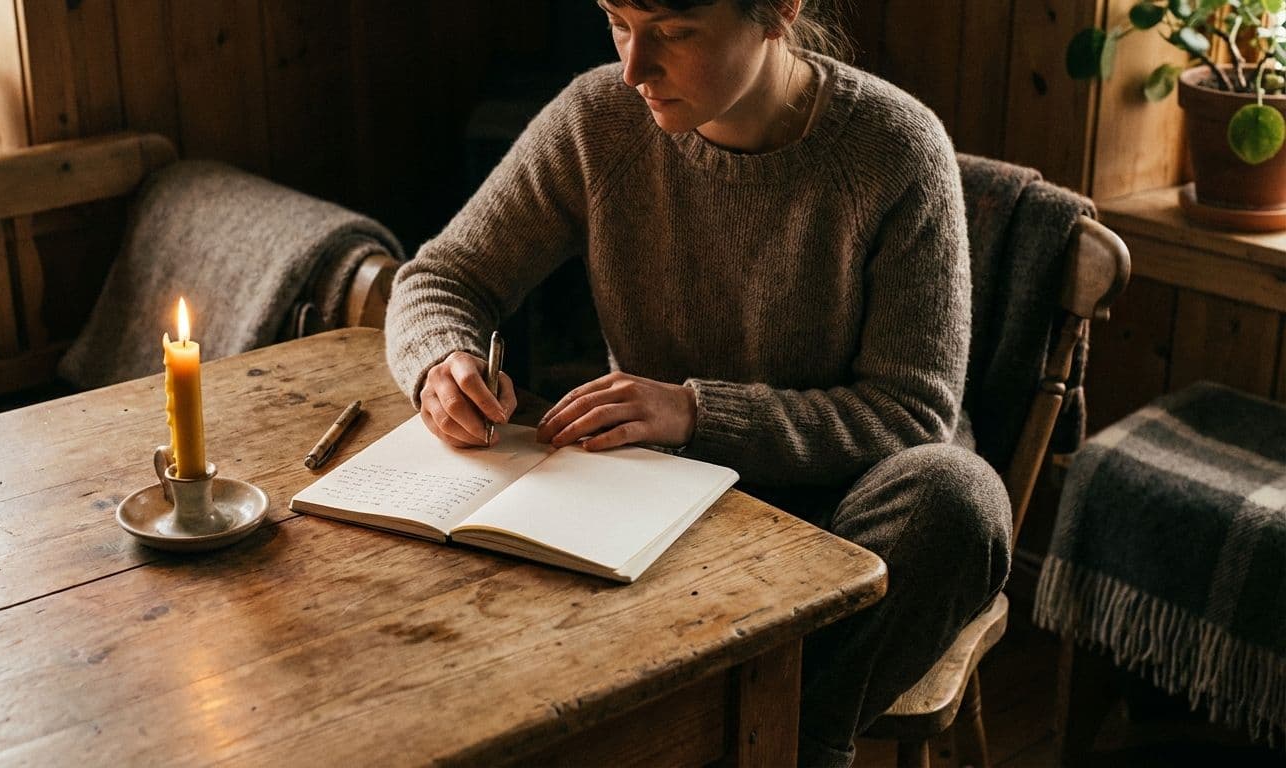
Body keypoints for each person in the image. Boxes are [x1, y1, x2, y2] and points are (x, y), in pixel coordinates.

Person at [384, 1, 1012, 765]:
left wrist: (694, 412)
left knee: (960, 497)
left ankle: (782, 741)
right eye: (617, 19)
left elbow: (912, 415)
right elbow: (444, 275)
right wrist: (441, 361)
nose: (633, 66)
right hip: (660, 502)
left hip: (843, 515)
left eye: (675, 33)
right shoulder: (599, 119)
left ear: (780, 11)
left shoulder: (895, 151)